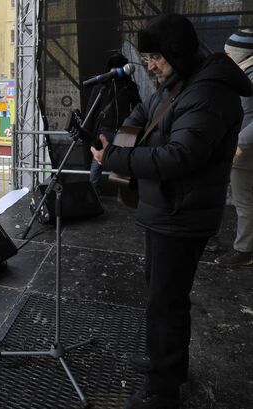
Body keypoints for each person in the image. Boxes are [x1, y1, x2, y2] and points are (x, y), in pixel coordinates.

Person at [91, 14, 251, 409]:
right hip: (167, 209)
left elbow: (181, 157)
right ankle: (165, 362)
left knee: (166, 302)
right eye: (147, 57)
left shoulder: (210, 93)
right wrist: (121, 134)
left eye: (156, 57)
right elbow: (145, 113)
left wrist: (117, 157)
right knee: (161, 298)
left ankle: (163, 390)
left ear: (177, 53)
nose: (150, 65)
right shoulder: (180, 82)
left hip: (182, 215)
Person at [214, 30, 253, 266]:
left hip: (244, 152)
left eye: (229, 52)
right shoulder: (244, 72)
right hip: (242, 148)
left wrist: (238, 146)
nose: (226, 56)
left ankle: (244, 250)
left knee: (244, 200)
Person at [85, 52, 141, 195]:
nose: (115, 70)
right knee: (95, 169)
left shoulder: (129, 86)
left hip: (124, 133)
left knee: (122, 171)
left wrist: (132, 125)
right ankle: (95, 199)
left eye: (118, 67)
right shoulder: (101, 86)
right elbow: (91, 110)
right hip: (103, 131)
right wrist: (88, 133)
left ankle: (122, 200)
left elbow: (139, 107)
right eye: (113, 68)